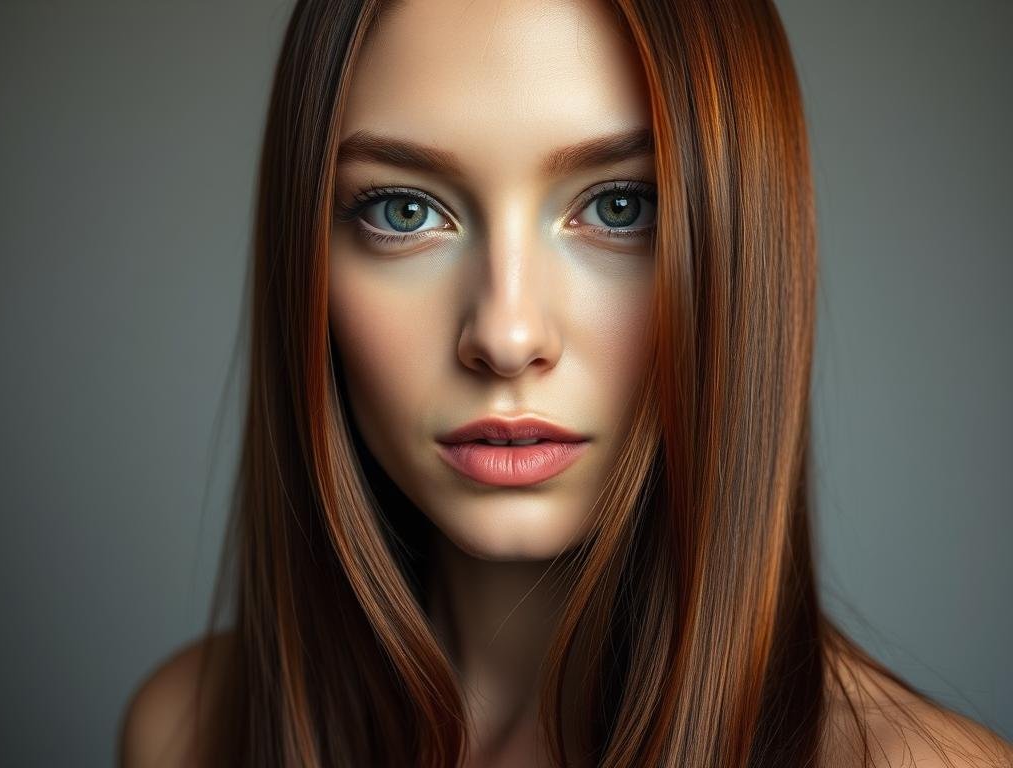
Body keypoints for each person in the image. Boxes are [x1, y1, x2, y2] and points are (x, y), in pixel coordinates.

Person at [119, 0, 1013, 766]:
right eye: (404, 210)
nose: (507, 337)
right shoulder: (187, 733)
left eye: (621, 206)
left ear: (744, 248)